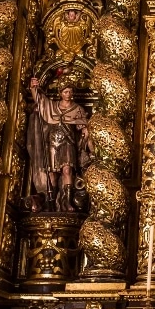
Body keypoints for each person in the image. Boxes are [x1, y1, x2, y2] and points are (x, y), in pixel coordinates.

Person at [27, 78, 89, 211]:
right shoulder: (53, 106)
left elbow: (84, 128)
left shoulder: (77, 109)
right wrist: (33, 88)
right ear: (60, 93)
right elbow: (40, 100)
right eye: (66, 92)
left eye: (70, 92)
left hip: (68, 143)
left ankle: (67, 201)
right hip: (53, 143)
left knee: (67, 170)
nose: (68, 94)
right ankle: (51, 202)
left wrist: (85, 138)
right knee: (52, 174)